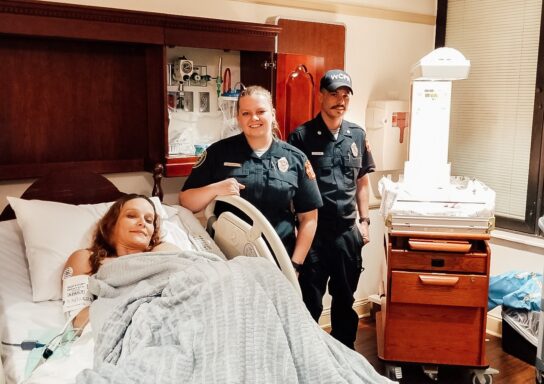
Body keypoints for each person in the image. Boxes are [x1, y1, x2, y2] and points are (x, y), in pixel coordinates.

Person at [179, 85, 323, 271]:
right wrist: (215, 189)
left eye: (260, 111)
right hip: (226, 261)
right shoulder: (218, 153)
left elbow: (309, 219)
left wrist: (295, 265)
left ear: (272, 113)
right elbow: (186, 201)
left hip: (278, 260)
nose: (254, 118)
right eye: (246, 113)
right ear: (238, 118)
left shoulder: (295, 159)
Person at [287, 69, 376, 349]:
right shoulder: (301, 137)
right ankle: (309, 357)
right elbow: (293, 190)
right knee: (309, 302)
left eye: (345, 95)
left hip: (347, 234)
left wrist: (365, 221)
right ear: (321, 96)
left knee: (345, 301)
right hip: (314, 235)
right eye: (334, 94)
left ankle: (344, 358)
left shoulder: (357, 135)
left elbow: (362, 182)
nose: (340, 100)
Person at [62, 194, 180, 328]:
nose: (142, 223)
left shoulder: (163, 250)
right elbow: (77, 321)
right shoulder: (85, 258)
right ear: (111, 226)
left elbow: (189, 284)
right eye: (131, 216)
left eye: (148, 220)